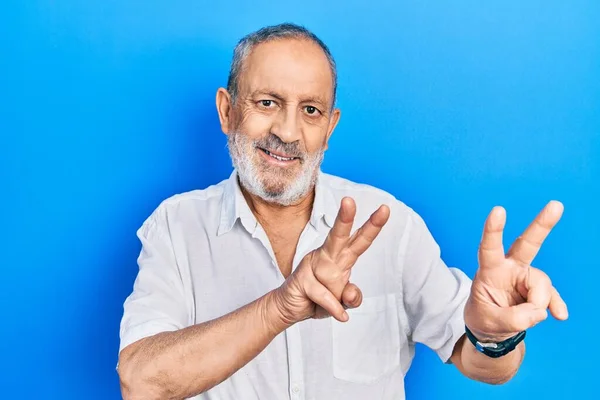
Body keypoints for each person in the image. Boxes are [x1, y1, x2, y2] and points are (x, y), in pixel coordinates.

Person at [116, 23, 568, 400]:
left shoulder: (391, 224)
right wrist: (279, 308)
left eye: (310, 110)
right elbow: (140, 381)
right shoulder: (176, 226)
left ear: (329, 128)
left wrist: (493, 336)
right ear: (227, 111)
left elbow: (482, 364)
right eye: (267, 103)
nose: (287, 132)